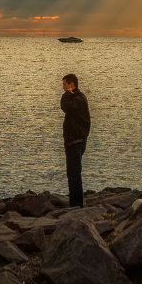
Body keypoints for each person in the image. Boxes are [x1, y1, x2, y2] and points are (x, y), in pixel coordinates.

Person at [60, 73, 90, 208]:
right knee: (72, 173)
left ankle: (77, 205)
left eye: (64, 84)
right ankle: (76, 203)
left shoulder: (78, 99)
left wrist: (67, 94)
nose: (63, 87)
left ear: (71, 85)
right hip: (75, 141)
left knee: (74, 174)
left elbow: (66, 107)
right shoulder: (77, 98)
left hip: (76, 141)